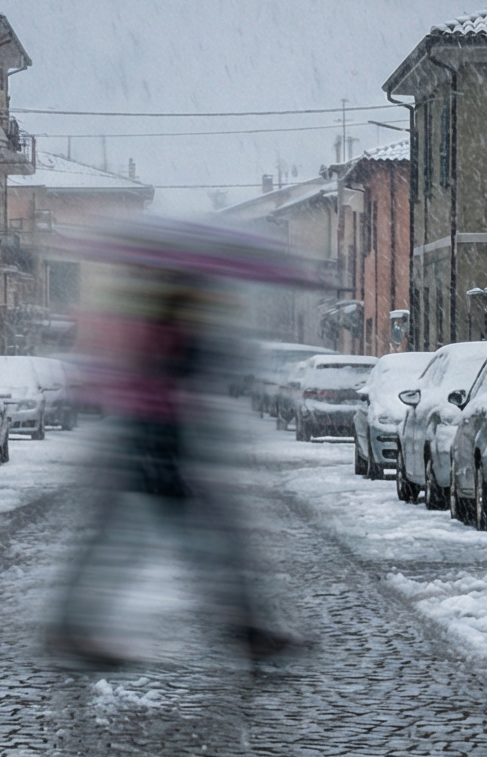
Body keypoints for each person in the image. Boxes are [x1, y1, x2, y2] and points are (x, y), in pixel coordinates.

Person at [44, 263, 306, 672]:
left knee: (168, 542)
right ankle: (249, 630)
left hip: (153, 442)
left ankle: (249, 629)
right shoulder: (160, 327)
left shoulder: (155, 322)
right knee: (205, 541)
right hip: (154, 442)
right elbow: (172, 371)